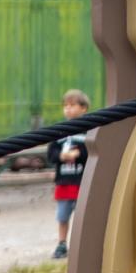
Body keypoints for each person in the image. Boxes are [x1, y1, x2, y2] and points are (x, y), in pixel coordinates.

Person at [51, 88, 90, 260]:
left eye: (72, 105)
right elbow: (50, 154)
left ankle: (82, 245)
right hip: (64, 182)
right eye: (65, 105)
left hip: (82, 181)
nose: (68, 109)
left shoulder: (90, 130)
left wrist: (78, 154)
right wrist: (61, 156)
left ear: (83, 108)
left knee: (84, 216)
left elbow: (94, 151)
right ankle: (61, 244)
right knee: (62, 216)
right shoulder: (58, 131)